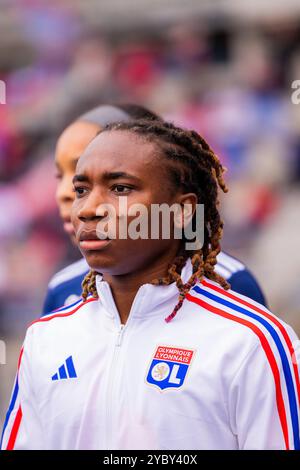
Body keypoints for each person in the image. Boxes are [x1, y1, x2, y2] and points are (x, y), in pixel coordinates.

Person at [1, 120, 299, 450]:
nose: (87, 209)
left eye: (120, 189)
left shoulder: (251, 342)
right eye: (82, 189)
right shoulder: (46, 338)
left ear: (182, 211)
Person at [43, 105, 266, 314]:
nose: (63, 193)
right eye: (77, 183)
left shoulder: (229, 283)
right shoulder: (62, 289)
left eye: (118, 186)